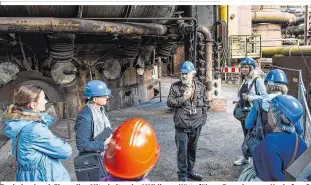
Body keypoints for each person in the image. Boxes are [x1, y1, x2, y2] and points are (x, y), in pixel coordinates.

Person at [4, 85, 72, 181]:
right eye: (43, 98)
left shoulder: (19, 122)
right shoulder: (35, 129)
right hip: (43, 176)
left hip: (27, 176)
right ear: (33, 105)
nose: (45, 101)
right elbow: (66, 151)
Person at [238, 95, 308, 181]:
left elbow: (273, 179)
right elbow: (305, 174)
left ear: (276, 116)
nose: (267, 113)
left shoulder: (269, 143)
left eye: (270, 111)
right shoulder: (301, 142)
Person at [167, 61, 209, 181]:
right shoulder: (175, 87)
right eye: (182, 74)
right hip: (182, 125)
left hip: (196, 125)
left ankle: (190, 171)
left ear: (193, 74)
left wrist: (203, 120)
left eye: (187, 73)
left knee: (192, 150)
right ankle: (182, 175)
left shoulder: (200, 87)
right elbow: (170, 103)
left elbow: (205, 104)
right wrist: (183, 98)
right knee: (182, 152)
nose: (184, 76)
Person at [74, 80, 113, 180]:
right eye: (104, 95)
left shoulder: (100, 110)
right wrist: (104, 143)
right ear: (95, 99)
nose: (107, 97)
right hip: (93, 162)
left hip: (103, 157)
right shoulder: (85, 117)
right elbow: (82, 145)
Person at [246, 69, 303, 137]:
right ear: (284, 87)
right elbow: (300, 130)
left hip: (265, 142)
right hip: (286, 144)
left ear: (267, 86)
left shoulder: (259, 103)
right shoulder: (291, 103)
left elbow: (248, 125)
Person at [233, 57, 267, 166]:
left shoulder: (257, 80)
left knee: (253, 137)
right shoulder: (243, 80)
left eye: (246, 67)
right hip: (244, 113)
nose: (243, 69)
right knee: (246, 136)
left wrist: (250, 98)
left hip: (253, 114)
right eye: (242, 67)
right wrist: (238, 100)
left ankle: (256, 162)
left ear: (251, 68)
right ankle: (246, 157)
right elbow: (242, 95)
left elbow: (264, 97)